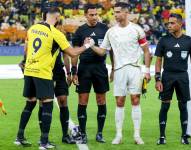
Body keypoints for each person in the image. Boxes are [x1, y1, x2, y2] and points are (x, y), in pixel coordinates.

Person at [14, 7, 94, 150]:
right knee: (47, 105)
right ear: (57, 18)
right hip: (43, 72)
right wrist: (87, 45)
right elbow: (72, 52)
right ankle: (44, 142)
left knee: (30, 102)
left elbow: (27, 48)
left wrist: (24, 61)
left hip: (29, 71)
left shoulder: (32, 28)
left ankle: (19, 137)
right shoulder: (55, 33)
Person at [90, 2, 151, 145]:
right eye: (114, 12)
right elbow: (102, 51)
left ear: (126, 13)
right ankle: (118, 135)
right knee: (119, 102)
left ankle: (137, 135)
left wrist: (147, 71)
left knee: (135, 100)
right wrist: (91, 45)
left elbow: (147, 51)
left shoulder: (137, 29)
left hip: (135, 69)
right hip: (118, 70)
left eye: (118, 12)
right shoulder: (111, 32)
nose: (115, 15)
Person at [71, 4, 110, 144]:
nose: (94, 17)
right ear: (85, 15)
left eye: (96, 14)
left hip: (100, 68)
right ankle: (83, 133)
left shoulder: (105, 29)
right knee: (83, 100)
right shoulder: (80, 31)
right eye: (91, 15)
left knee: (101, 100)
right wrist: (73, 71)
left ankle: (100, 133)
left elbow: (110, 50)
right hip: (84, 69)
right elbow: (74, 52)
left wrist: (115, 69)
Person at [155, 13, 191, 145]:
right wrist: (158, 79)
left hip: (182, 76)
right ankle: (162, 137)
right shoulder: (164, 40)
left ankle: (184, 136)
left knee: (183, 106)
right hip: (167, 77)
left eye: (172, 23)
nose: (169, 25)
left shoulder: (188, 40)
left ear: (180, 24)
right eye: (168, 23)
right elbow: (158, 60)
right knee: (165, 106)